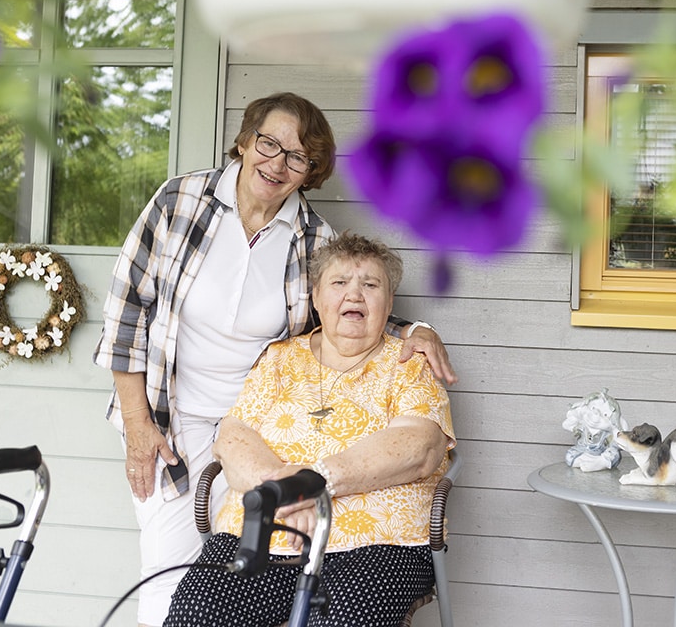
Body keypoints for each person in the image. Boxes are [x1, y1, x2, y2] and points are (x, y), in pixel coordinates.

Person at [92, 92, 456, 627]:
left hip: (252, 422)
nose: (278, 163)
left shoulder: (313, 238)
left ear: (309, 172)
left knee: (240, 560)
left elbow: (347, 304)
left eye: (299, 157)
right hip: (169, 415)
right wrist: (137, 423)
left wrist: (417, 329)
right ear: (244, 141)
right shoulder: (179, 202)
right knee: (172, 569)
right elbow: (128, 312)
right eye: (269, 144)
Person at [164, 233, 454, 627]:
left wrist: (315, 482)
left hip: (377, 544)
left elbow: (418, 446)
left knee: (342, 619)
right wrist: (285, 493)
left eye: (370, 285)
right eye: (339, 283)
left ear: (389, 304)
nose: (355, 295)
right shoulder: (279, 360)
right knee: (198, 613)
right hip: (268, 532)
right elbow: (233, 438)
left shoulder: (409, 363)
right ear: (317, 298)